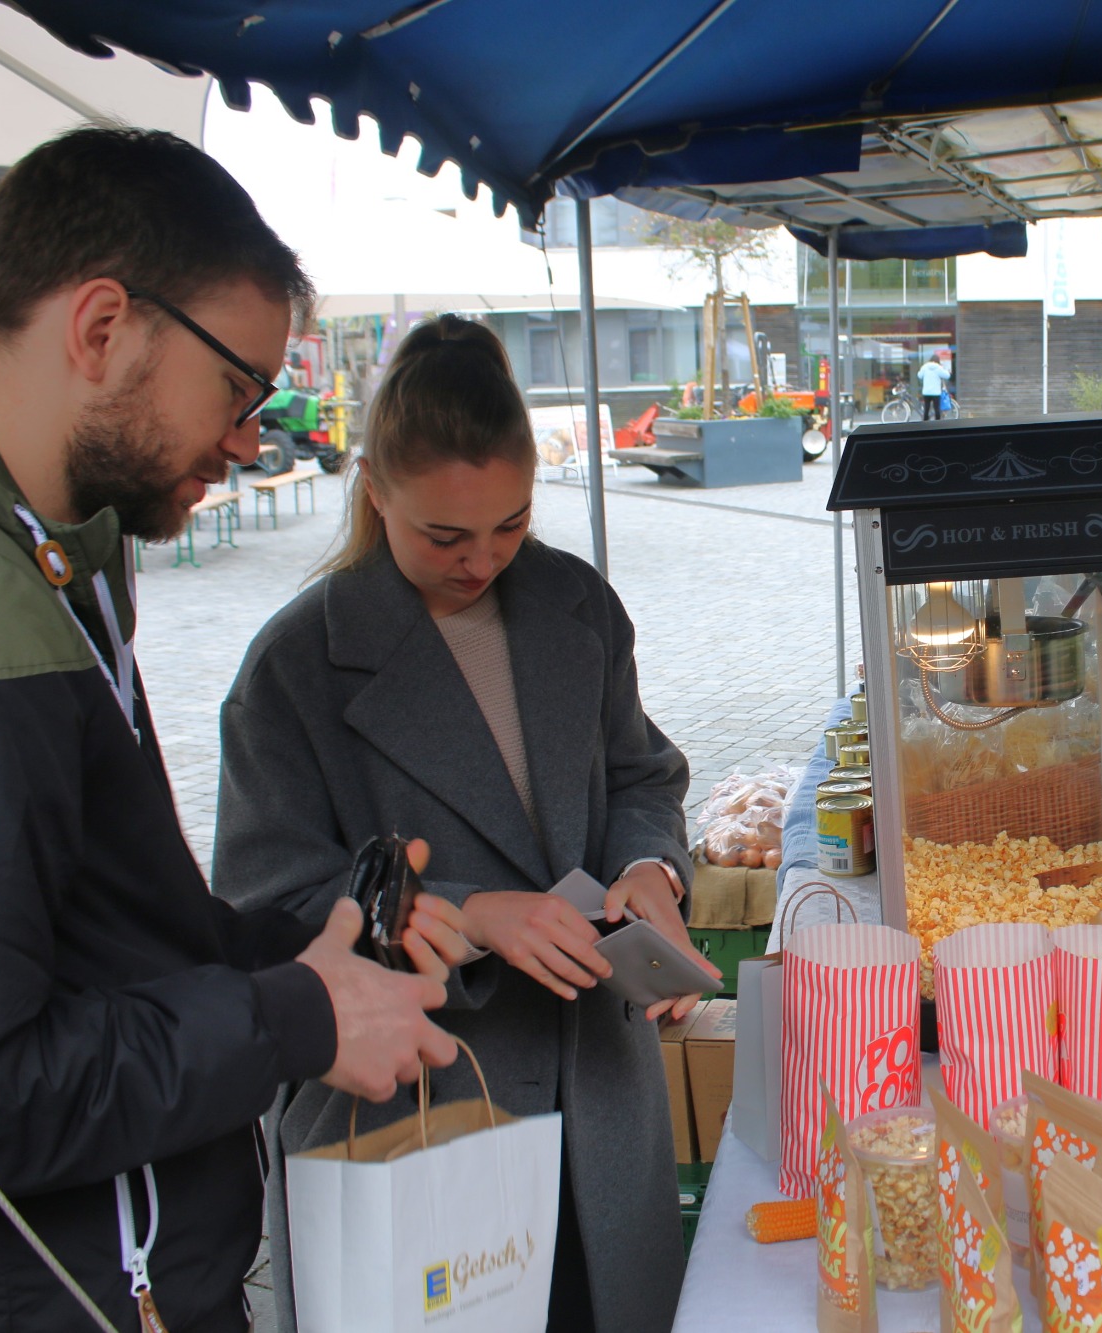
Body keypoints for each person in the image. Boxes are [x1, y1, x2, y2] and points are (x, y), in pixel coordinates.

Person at [0, 128, 457, 1332]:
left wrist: (299, 952)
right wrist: (291, 1017)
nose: (248, 438)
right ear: (102, 328)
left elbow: (97, 942)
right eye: (237, 384)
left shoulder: (51, 559)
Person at [213, 314, 715, 1332]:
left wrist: (650, 872)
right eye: (445, 536)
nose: (482, 559)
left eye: (512, 524)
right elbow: (259, 906)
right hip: (415, 1117)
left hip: (598, 1107)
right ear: (374, 492)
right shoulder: (293, 670)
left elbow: (640, 775)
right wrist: (468, 913)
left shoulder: (577, 607)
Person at [919, 350, 949, 420]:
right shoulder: (939, 368)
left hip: (926, 392)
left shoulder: (925, 366)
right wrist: (945, 369)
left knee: (926, 409)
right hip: (936, 392)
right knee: (937, 409)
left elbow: (919, 375)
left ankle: (925, 423)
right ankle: (937, 424)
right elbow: (947, 376)